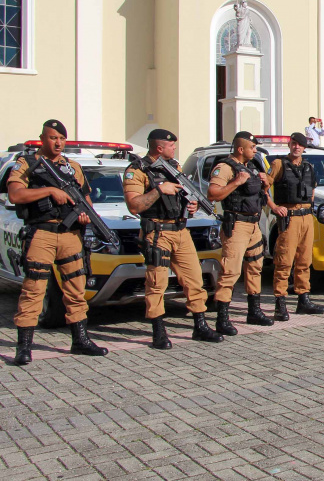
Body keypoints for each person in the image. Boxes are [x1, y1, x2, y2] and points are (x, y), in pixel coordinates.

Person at [8, 120, 109, 365]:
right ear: (42, 138)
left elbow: (85, 199)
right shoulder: (26, 164)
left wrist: (86, 216)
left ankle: (80, 339)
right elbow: (15, 194)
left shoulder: (72, 167)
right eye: (53, 138)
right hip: (42, 233)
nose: (58, 143)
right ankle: (24, 347)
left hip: (70, 235)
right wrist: (49, 191)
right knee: (34, 290)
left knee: (76, 289)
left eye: (62, 139)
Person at [124, 128, 223, 349]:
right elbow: (134, 205)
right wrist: (159, 190)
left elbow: (181, 199)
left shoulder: (174, 168)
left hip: (180, 231)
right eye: (171, 145)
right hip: (157, 232)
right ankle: (158, 331)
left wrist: (191, 206)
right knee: (157, 283)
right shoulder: (137, 170)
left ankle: (200, 325)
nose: (175, 148)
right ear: (159, 148)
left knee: (194, 279)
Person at [207, 132, 273, 333]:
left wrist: (266, 181)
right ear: (240, 149)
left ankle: (254, 311)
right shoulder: (225, 168)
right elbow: (212, 194)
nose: (255, 151)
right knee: (231, 271)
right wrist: (236, 182)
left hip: (253, 224)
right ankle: (222, 318)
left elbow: (262, 193)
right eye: (252, 148)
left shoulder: (252, 166)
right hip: (236, 225)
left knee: (255, 267)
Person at [264, 132, 324, 317]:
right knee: (284, 261)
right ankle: (280, 304)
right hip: (289, 217)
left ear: (304, 147)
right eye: (293, 144)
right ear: (289, 145)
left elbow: (312, 189)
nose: (296, 147)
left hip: (307, 217)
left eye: (299, 144)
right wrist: (274, 207)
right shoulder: (279, 164)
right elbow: (264, 188)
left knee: (304, 261)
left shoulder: (308, 166)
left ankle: (303, 299)